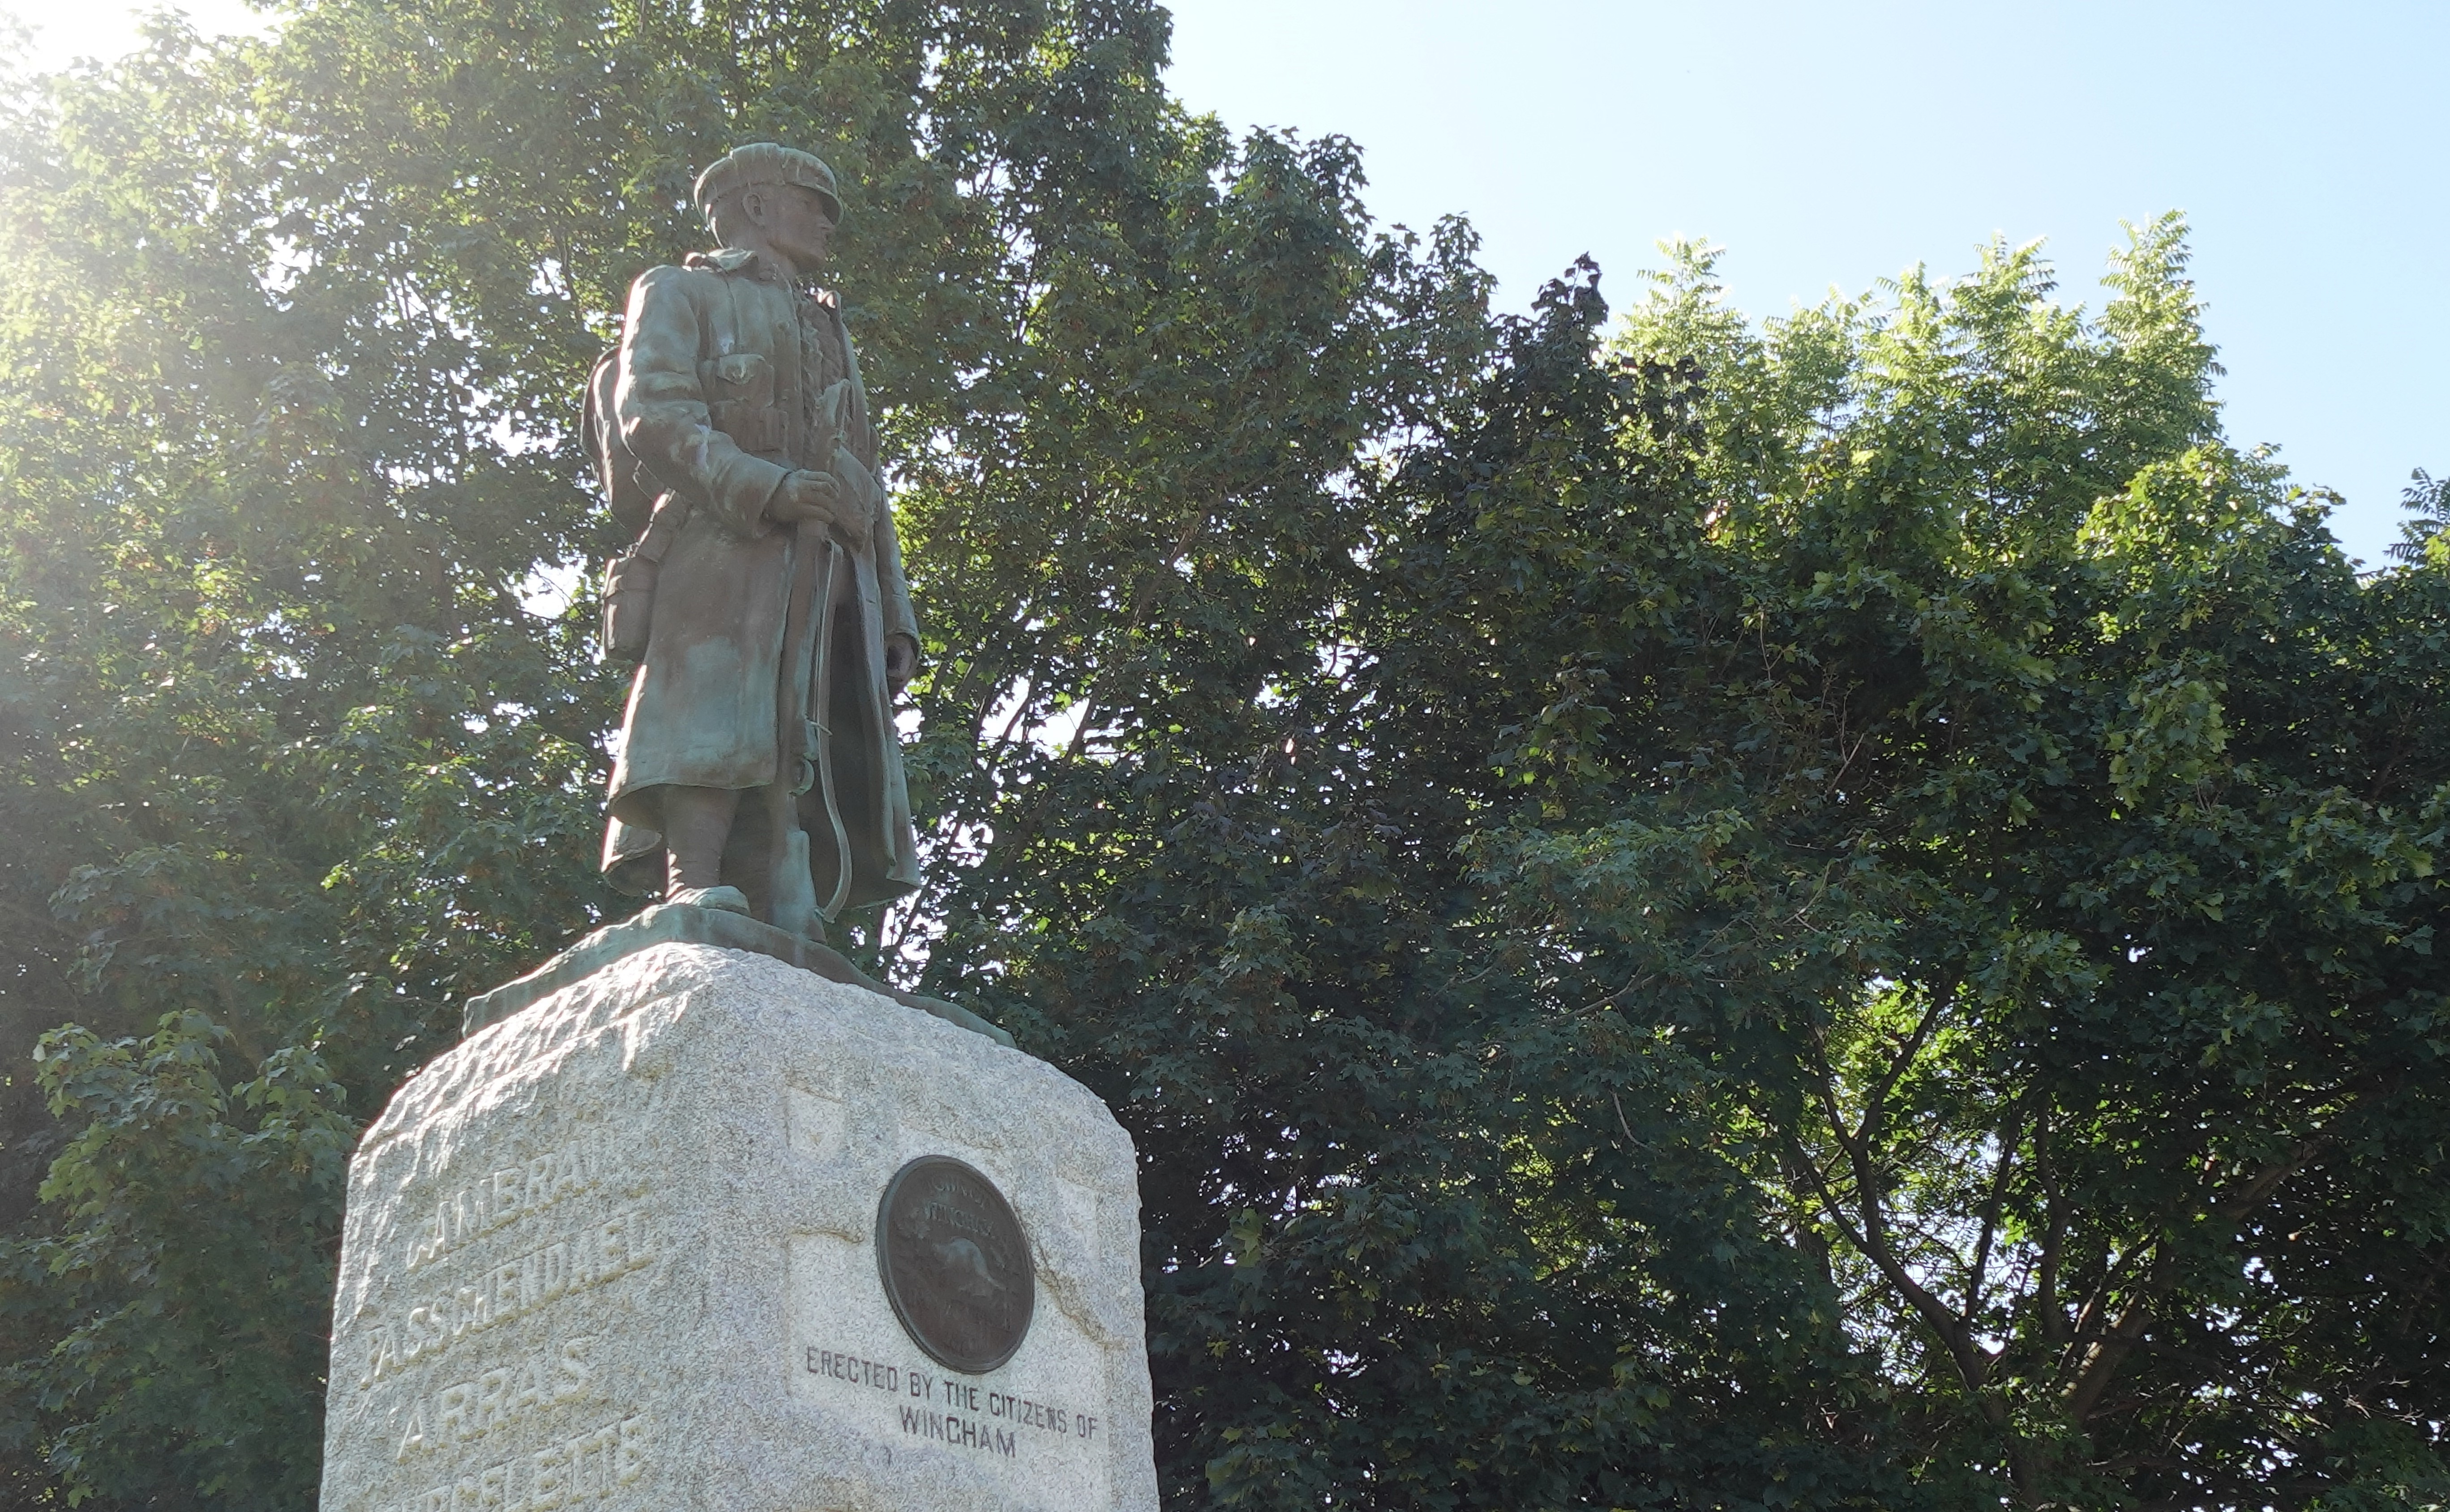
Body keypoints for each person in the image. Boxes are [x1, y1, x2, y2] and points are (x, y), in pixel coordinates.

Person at [596, 142, 921, 935]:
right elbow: (657, 415)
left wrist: (897, 612)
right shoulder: (680, 291)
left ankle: (789, 900)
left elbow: (870, 484)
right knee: (709, 706)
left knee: (803, 735)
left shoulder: (829, 327)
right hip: (721, 539)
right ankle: (690, 882)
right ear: (758, 205)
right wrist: (770, 487)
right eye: (814, 202)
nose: (826, 222)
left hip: (829, 567)